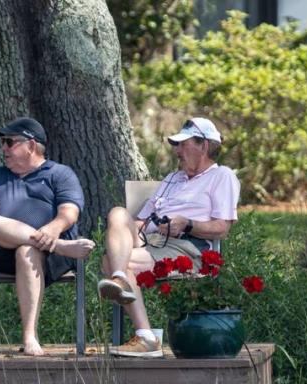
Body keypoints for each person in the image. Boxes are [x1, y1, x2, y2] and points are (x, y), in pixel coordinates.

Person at [97, 117, 240, 357]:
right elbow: (141, 220)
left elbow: (221, 228)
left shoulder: (222, 176)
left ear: (204, 146)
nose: (177, 151)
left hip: (188, 247)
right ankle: (124, 285)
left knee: (108, 262)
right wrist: (132, 229)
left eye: (183, 145)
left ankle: (146, 336)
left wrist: (187, 224)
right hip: (152, 240)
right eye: (176, 145)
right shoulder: (172, 179)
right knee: (118, 213)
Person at [0, 117, 96, 356]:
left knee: (25, 250)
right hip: (1, 251)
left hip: (48, 257)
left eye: (9, 142)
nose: (4, 148)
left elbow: (70, 211)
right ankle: (61, 246)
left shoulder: (59, 173)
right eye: (3, 143)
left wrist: (53, 229)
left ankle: (29, 336)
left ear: (30, 146)